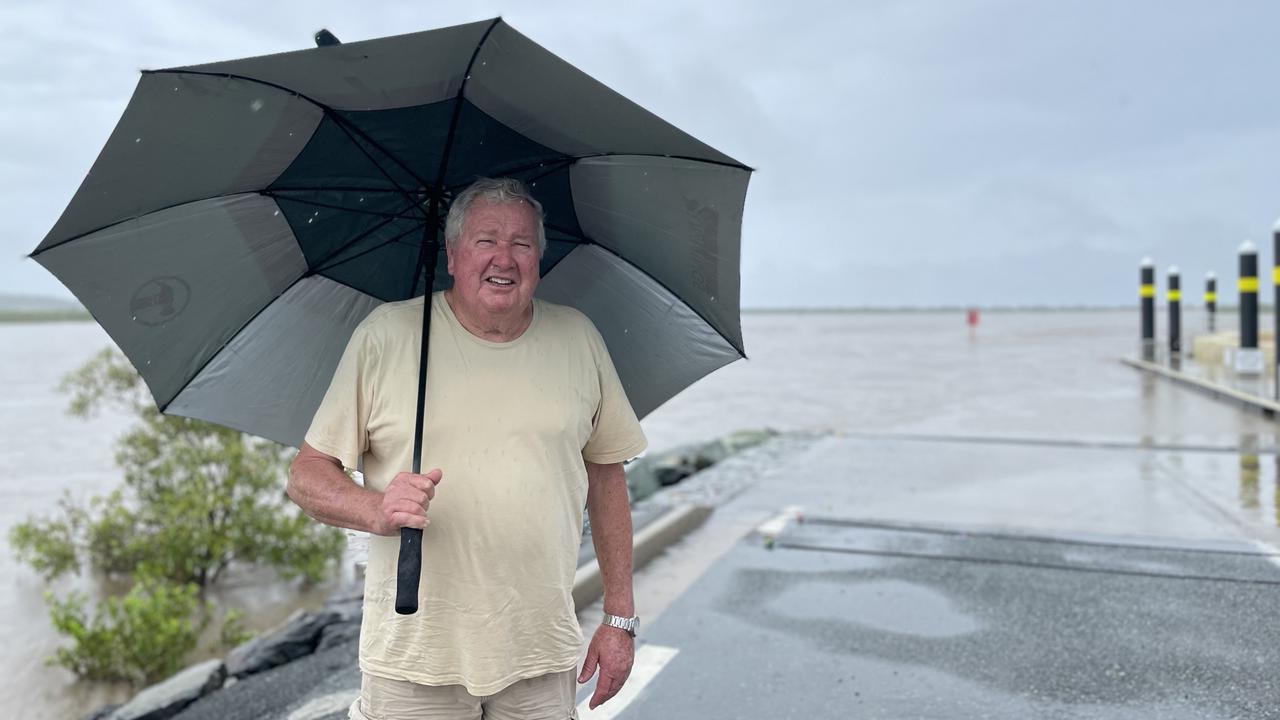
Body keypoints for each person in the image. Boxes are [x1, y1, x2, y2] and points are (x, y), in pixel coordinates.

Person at [287, 177, 647, 719]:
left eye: (522, 243)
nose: (505, 257)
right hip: (414, 656)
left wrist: (619, 619)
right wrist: (376, 509)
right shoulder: (387, 335)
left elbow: (607, 477)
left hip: (541, 653)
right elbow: (307, 474)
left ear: (539, 260)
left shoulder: (579, 339)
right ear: (452, 255)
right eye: (486, 240)